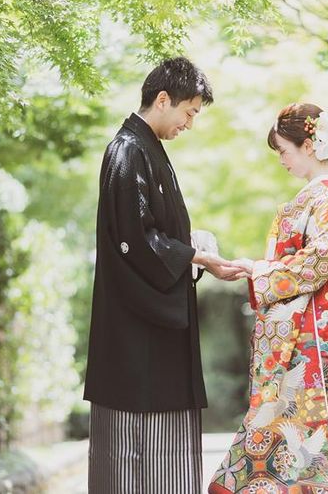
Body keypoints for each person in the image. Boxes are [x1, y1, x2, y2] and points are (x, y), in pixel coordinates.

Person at [83, 57, 240, 494]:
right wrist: (197, 257)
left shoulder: (146, 148)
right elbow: (135, 238)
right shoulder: (127, 150)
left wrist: (191, 245)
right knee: (133, 442)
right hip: (135, 321)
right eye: (189, 112)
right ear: (164, 99)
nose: (190, 123)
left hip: (149, 315)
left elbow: (154, 230)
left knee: (153, 442)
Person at [209, 102, 328, 493]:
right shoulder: (320, 198)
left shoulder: (325, 199)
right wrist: (257, 269)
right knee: (305, 434)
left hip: (308, 338)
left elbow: (317, 263)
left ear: (309, 145)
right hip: (311, 332)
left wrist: (257, 269)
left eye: (284, 150)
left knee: (304, 433)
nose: (281, 160)